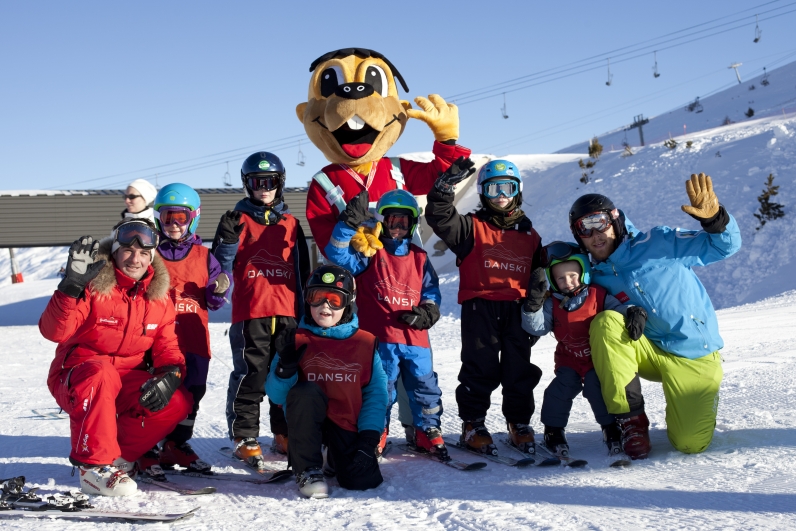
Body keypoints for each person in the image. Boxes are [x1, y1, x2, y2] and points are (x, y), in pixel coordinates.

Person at [570, 173, 741, 459]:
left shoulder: (659, 242)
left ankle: (691, 406)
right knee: (606, 324)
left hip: (693, 352)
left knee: (689, 443)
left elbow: (724, 246)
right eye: (584, 229)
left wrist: (715, 220)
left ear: (614, 220)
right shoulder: (593, 273)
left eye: (599, 222)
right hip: (649, 351)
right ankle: (631, 422)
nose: (595, 235)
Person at [39, 219, 193, 496]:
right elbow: (54, 331)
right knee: (101, 374)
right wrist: (71, 286)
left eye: (144, 253)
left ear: (152, 256)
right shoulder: (92, 284)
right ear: (115, 250)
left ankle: (119, 459)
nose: (136, 259)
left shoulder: (158, 298)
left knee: (177, 402)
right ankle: (93, 466)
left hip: (124, 378)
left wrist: (171, 373)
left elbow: (167, 344)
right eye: (128, 251)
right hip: (78, 375)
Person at [425, 158, 544, 455]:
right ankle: (473, 423)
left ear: (517, 191)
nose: (501, 194)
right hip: (481, 308)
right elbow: (439, 216)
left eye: (507, 187)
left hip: (517, 309)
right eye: (493, 189)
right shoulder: (470, 227)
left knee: (518, 369)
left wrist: (537, 306)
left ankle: (518, 422)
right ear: (482, 193)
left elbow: (541, 276)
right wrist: (444, 187)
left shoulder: (530, 236)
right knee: (481, 366)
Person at [324, 189, 445, 458]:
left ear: (413, 224)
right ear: (382, 222)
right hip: (380, 339)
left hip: (415, 339)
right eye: (392, 222)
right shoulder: (369, 254)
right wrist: (347, 225)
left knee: (425, 386)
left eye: (404, 222)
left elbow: (431, 293)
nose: (398, 228)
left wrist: (428, 312)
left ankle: (427, 429)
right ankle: (377, 430)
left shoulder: (420, 258)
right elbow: (337, 255)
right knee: (381, 388)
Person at [212, 152, 310, 469]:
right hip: (252, 311)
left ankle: (283, 433)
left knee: (286, 375)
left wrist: (305, 311)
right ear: (247, 185)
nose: (264, 189)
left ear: (280, 184)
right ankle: (244, 436)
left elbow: (303, 270)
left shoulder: (292, 224)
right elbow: (220, 268)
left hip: (287, 312)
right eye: (257, 183)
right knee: (252, 375)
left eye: (270, 182)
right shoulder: (237, 220)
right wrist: (226, 240)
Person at [266, 265, 388, 499]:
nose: (325, 307)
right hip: (309, 425)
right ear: (307, 300)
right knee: (305, 391)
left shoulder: (365, 343)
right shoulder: (294, 339)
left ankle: (331, 456)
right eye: (317, 298)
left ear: (348, 302)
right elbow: (277, 396)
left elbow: (376, 395)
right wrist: (284, 369)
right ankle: (308, 469)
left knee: (362, 481)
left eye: (334, 299)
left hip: (345, 423)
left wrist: (368, 439)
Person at [521, 241, 641, 457]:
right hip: (569, 360)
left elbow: (619, 310)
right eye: (560, 278)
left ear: (584, 272)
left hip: (597, 360)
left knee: (596, 390)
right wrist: (532, 305)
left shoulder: (598, 295)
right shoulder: (552, 303)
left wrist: (633, 312)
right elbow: (537, 328)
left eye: (572, 275)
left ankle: (610, 427)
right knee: (558, 392)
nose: (567, 282)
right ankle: (553, 431)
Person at [148, 183, 230, 475]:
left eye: (180, 218)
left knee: (193, 391)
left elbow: (214, 300)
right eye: (167, 217)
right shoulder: (150, 254)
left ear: (193, 218)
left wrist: (218, 290)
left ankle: (177, 444)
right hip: (158, 341)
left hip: (194, 340)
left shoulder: (204, 257)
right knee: (156, 392)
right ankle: (148, 447)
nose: (173, 224)